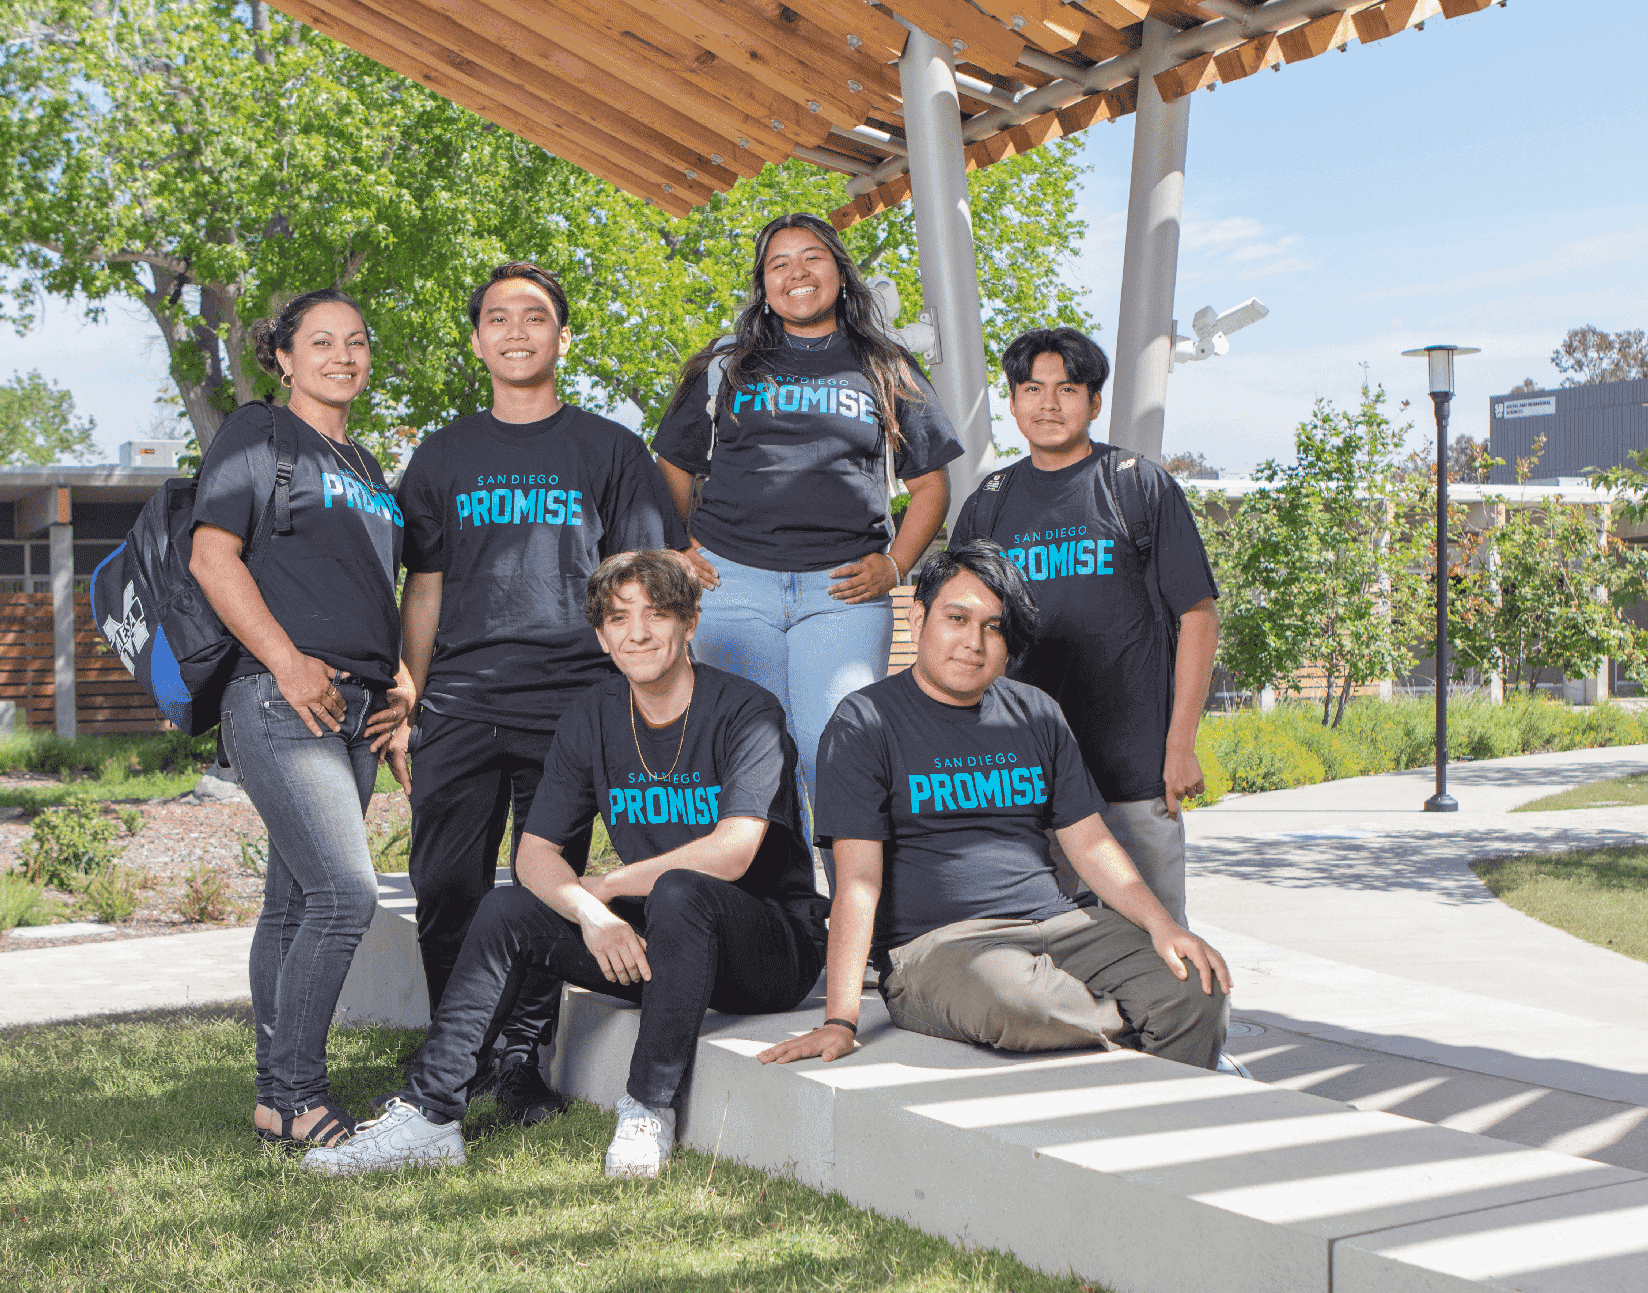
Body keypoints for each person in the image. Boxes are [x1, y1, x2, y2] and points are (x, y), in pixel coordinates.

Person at [305, 550, 828, 1178]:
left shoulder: (746, 710)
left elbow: (735, 849)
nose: (638, 632)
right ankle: (430, 1116)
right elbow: (535, 854)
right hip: (663, 938)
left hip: (769, 948)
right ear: (602, 636)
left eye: (657, 615)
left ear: (688, 623)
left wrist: (606, 885)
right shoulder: (593, 715)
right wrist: (591, 914)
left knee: (682, 891)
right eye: (618, 619)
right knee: (505, 909)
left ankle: (646, 1106)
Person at [394, 261, 686, 1123]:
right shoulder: (444, 453)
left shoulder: (609, 449)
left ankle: (517, 1062)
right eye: (497, 317)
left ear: (564, 338)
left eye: (534, 317)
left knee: (541, 889)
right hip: (463, 700)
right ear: (478, 338)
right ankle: (461, 1044)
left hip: (573, 702)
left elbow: (643, 582)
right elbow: (427, 583)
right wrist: (410, 687)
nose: (515, 330)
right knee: (447, 883)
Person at [757, 542, 1231, 1073]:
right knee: (1024, 1004)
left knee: (1196, 988)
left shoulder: (1037, 713)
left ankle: (1161, 1113)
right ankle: (1142, 1038)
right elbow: (858, 882)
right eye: (956, 618)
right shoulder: (864, 722)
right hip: (941, 949)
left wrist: (1164, 927)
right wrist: (840, 1019)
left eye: (994, 627)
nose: (973, 643)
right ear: (918, 619)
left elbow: (1092, 843)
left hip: (1060, 925)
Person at [191, 289, 413, 1148]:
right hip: (279, 696)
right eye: (320, 341)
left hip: (355, 709)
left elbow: (368, 590)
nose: (342, 355)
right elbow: (214, 556)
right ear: (284, 357)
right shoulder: (260, 434)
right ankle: (297, 1095)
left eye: (356, 341)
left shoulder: (363, 466)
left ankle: (271, 1094)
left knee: (292, 902)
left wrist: (399, 695)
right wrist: (286, 661)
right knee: (344, 892)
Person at [651, 212, 964, 817]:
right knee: (753, 760)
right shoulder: (727, 364)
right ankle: (782, 910)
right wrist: (682, 546)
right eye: (779, 263)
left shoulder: (886, 365)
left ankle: (857, 903)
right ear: (763, 287)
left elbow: (930, 486)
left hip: (841, 593)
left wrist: (897, 567)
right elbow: (671, 464)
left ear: (841, 275)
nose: (798, 272)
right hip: (731, 585)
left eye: (813, 257)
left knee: (839, 751)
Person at [949, 329, 1219, 926]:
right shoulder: (988, 504)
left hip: (1132, 770)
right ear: (1013, 401)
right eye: (1032, 389)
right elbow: (956, 635)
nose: (1048, 405)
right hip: (1024, 777)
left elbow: (1198, 618)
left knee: (1154, 941)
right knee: (1046, 949)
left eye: (1067, 389)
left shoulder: (1138, 486)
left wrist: (1180, 746)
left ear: (1094, 403)